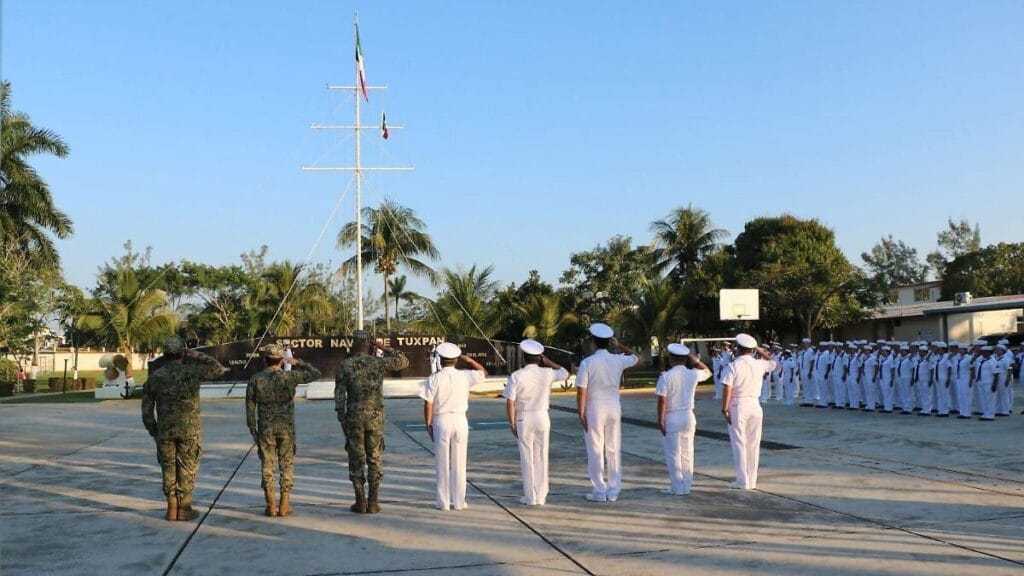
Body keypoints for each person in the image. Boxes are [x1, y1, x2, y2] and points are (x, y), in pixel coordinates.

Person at [141, 336, 226, 521]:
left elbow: (147, 411)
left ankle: (171, 507)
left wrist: (154, 431)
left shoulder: (155, 377)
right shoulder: (192, 372)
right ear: (183, 353)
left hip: (165, 430)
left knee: (168, 467)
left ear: (165, 355)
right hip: (189, 430)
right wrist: (198, 355)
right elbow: (218, 369)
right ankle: (185, 507)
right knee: (187, 467)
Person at [335, 331, 408, 514]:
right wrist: (384, 347)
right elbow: (403, 361)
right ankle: (373, 501)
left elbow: (339, 395)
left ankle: (360, 501)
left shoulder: (345, 365)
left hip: (354, 418)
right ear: (370, 344)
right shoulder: (377, 363)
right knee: (375, 457)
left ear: (353, 344)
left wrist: (341, 417)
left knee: (356, 457)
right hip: (375, 418)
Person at [246, 342, 321, 517]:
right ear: (281, 360)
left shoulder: (256, 379)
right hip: (286, 428)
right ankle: (284, 504)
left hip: (266, 428)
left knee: (267, 465)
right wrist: (297, 362)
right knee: (286, 464)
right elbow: (316, 373)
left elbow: (250, 406)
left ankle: (271, 506)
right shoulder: (289, 377)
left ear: (265, 360)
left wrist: (253, 428)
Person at [576, 323, 640, 502]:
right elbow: (637, 358)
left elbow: (582, 390)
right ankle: (613, 490)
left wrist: (581, 412)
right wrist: (619, 345)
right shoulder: (618, 359)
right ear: (608, 342)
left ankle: (599, 490)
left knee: (595, 447)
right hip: (613, 405)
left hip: (594, 406)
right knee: (613, 448)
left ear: (593, 342)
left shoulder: (587, 362)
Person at [419, 342, 487, 510]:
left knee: (442, 462)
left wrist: (428, 424)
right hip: (460, 420)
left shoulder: (434, 378)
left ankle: (443, 503)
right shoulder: (465, 376)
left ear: (440, 360)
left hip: (441, 419)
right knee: (460, 462)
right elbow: (484, 373)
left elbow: (428, 404)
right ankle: (459, 502)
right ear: (456, 360)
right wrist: (470, 361)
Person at [503, 339, 569, 506]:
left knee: (527, 456)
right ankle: (541, 495)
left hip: (524, 417)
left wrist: (511, 423)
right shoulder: (547, 373)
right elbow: (565, 373)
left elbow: (510, 402)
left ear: (524, 358)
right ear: (539, 358)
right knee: (541, 455)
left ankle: (530, 496)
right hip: (542, 416)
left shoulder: (517, 376)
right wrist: (548, 362)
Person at [721, 333, 777, 490]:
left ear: (738, 348)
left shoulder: (733, 365)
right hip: (755, 405)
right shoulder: (759, 364)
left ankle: (742, 480)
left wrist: (724, 408)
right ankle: (752, 480)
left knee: (739, 443)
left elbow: (727, 388)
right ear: (751, 349)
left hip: (738, 405)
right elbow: (774, 363)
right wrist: (758, 349)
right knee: (753, 444)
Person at [656, 343, 711, 496]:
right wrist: (694, 359)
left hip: (672, 416)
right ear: (685, 359)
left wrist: (660, 419)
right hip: (688, 415)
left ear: (671, 359)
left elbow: (662, 400)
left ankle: (676, 486)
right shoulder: (693, 373)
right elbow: (707, 372)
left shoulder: (666, 376)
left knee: (673, 453)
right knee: (688, 452)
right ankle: (686, 485)